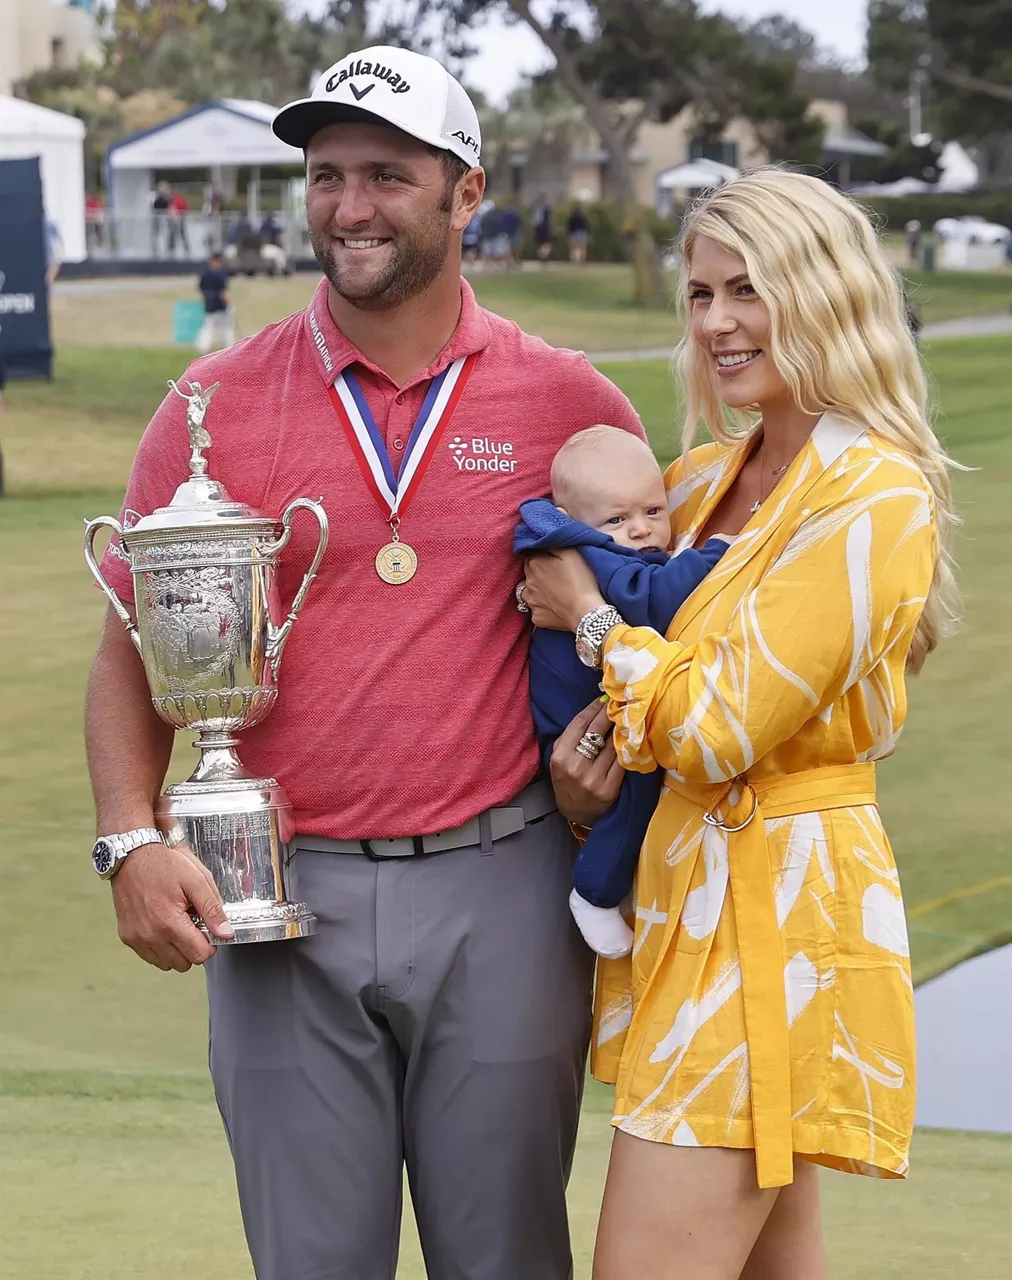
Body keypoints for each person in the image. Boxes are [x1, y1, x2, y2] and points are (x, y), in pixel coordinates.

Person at [84, 45, 645, 1280]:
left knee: (503, 1256)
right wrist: (131, 836)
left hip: (502, 878)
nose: (348, 207)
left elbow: (647, 620)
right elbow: (134, 644)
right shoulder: (212, 403)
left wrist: (611, 773)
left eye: (387, 174)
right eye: (326, 175)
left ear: (467, 191)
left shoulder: (570, 403)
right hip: (280, 892)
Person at [522, 168, 957, 1279]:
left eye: (748, 289)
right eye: (700, 292)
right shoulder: (704, 477)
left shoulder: (875, 497)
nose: (715, 321)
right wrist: (583, 796)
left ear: (822, 294)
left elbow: (713, 724)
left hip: (785, 922)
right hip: (685, 910)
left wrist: (587, 618)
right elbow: (646, 720)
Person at [514, 426, 728, 958]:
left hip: (590, 699)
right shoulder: (589, 554)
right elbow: (650, 598)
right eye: (617, 519)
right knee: (634, 790)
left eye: (653, 511)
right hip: (576, 715)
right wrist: (721, 553)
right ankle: (595, 892)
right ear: (572, 518)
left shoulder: (595, 542)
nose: (639, 531)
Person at [195, 251, 234, 352]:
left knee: (207, 327)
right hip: (220, 305)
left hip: (208, 304)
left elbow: (200, 288)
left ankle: (203, 347)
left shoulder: (205, 274)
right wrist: (228, 301)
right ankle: (228, 346)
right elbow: (223, 291)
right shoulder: (221, 274)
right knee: (226, 328)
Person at [500, 201, 524, 269]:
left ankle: (511, 261)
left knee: (510, 248)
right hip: (512, 233)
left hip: (510, 233)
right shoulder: (515, 214)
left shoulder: (505, 214)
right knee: (513, 248)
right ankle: (513, 261)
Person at [151, 181, 171, 257]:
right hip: (159, 219)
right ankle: (157, 250)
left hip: (163, 219)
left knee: (164, 234)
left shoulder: (164, 200)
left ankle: (165, 249)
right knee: (158, 235)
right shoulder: (158, 200)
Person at [168, 189, 191, 257]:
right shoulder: (181, 200)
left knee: (175, 234)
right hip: (179, 219)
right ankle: (185, 248)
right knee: (181, 234)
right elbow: (186, 208)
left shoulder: (174, 201)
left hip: (177, 220)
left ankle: (172, 248)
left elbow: (172, 210)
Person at [532, 193, 553, 265]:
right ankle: (543, 255)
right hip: (544, 228)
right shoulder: (546, 208)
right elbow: (549, 219)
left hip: (537, 228)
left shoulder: (535, 208)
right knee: (547, 244)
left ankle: (541, 257)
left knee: (540, 244)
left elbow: (533, 220)